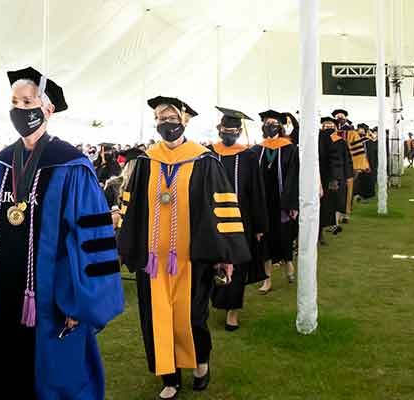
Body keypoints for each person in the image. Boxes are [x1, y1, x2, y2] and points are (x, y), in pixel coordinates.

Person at [0, 66, 124, 400]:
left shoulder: (71, 166)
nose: (20, 109)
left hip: (48, 297)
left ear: (48, 109)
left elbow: (92, 240)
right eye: (15, 101)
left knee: (49, 379)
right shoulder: (0, 165)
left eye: (28, 101)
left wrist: (81, 303)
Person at [116, 96, 250, 399]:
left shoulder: (204, 160)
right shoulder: (147, 161)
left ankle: (201, 363)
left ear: (185, 120)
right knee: (156, 316)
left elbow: (221, 209)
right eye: (161, 118)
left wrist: (223, 257)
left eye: (172, 118)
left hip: (192, 258)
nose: (167, 123)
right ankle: (169, 376)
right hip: (152, 261)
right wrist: (128, 246)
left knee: (192, 316)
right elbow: (132, 206)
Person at [208, 106, 268, 331]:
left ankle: (232, 312)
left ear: (239, 132)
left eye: (234, 130)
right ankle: (211, 300)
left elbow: (257, 191)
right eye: (226, 129)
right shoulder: (209, 154)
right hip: (211, 219)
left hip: (241, 221)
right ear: (218, 129)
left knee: (238, 264)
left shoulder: (249, 156)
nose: (229, 133)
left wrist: (260, 225)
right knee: (210, 261)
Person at [252, 110, 299, 294]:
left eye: (273, 123)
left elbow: (294, 177)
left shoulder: (290, 149)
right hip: (263, 202)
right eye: (267, 123)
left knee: (284, 236)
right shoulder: (257, 150)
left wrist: (292, 204)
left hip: (283, 201)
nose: (270, 126)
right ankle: (267, 280)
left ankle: (288, 264)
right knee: (264, 240)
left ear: (280, 126)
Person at [318, 117, 344, 240]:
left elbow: (335, 160)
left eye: (330, 126)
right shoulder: (316, 137)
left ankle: (321, 233)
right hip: (314, 176)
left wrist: (334, 178)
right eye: (325, 126)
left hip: (325, 178)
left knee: (325, 207)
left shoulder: (335, 140)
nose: (328, 128)